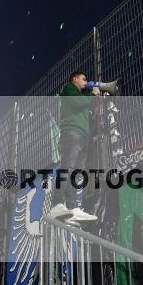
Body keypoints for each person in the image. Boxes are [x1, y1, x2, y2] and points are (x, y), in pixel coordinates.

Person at [50, 71, 99, 222]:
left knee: (76, 174)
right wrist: (92, 94)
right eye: (83, 79)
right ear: (75, 79)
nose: (86, 82)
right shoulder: (69, 88)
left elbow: (89, 120)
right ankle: (56, 204)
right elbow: (78, 102)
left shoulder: (82, 99)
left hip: (83, 138)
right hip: (71, 133)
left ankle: (72, 207)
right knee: (67, 168)